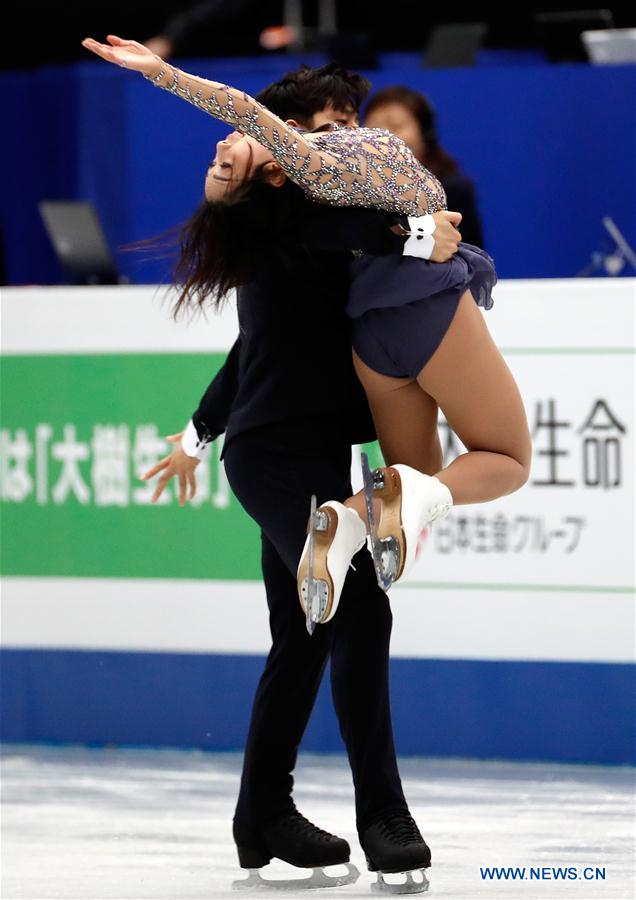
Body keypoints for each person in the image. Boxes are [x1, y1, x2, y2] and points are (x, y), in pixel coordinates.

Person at [81, 40, 464, 893]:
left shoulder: (328, 212)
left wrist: (192, 433)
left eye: (348, 124)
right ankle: (386, 818)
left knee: (302, 636)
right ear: (287, 143)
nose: (343, 141)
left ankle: (263, 817)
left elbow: (252, 347)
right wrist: (413, 233)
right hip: (274, 457)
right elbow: (340, 230)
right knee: (360, 605)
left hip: (310, 452)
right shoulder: (275, 209)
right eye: (322, 128)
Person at [364, 85, 485, 248]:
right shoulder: (351, 189)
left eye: (395, 126)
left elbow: (470, 256)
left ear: (425, 133)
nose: (382, 137)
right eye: (373, 128)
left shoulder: (452, 189)